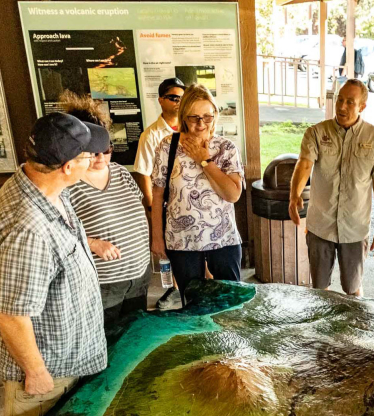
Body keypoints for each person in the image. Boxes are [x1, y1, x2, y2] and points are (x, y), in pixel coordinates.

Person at [0, 112, 111, 416]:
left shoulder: (47, 186)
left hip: (66, 357)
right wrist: (35, 372)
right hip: (47, 371)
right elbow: (10, 314)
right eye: (87, 156)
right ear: (67, 166)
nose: (95, 160)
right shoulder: (28, 227)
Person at [288, 78, 374, 297]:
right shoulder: (316, 132)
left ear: (362, 106)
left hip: (355, 227)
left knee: (353, 289)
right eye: (339, 100)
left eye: (350, 102)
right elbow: (304, 163)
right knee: (319, 289)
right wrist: (294, 194)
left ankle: (351, 331)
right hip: (320, 225)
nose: (342, 106)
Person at [59, 92, 152, 330]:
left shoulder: (121, 173)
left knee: (135, 335)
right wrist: (92, 243)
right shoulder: (68, 183)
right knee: (106, 337)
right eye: (93, 151)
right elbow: (57, 233)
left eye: (107, 149)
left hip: (139, 273)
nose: (101, 157)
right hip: (104, 282)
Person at [151, 84, 244, 299]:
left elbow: (232, 194)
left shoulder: (226, 148)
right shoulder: (168, 146)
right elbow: (157, 196)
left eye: (207, 117)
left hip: (223, 238)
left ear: (215, 115)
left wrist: (204, 160)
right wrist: (157, 237)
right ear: (184, 116)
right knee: (193, 302)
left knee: (229, 301)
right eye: (194, 118)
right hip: (182, 239)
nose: (201, 124)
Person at [132, 77, 185, 210]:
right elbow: (144, 174)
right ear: (161, 100)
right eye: (173, 98)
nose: (179, 102)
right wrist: (151, 207)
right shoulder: (151, 135)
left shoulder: (191, 128)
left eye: (182, 98)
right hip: (166, 201)